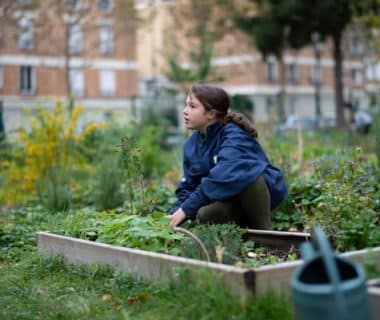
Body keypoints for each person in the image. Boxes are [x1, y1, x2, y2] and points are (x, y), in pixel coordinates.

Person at [169, 84, 287, 229]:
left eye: (192, 106)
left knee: (246, 175)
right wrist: (176, 214)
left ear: (211, 114)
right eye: (186, 105)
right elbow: (187, 187)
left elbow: (226, 172)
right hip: (228, 197)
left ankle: (266, 234)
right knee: (205, 214)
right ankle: (241, 232)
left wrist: (187, 208)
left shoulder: (234, 134)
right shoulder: (190, 145)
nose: (185, 111)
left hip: (259, 193)